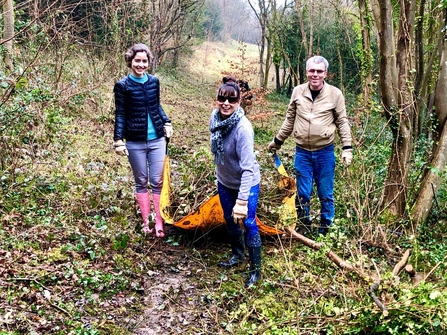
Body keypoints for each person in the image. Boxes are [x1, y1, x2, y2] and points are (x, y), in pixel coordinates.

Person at [268, 55, 352, 235]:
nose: (315, 74)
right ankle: (304, 225)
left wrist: (347, 148)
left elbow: (342, 122)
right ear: (307, 72)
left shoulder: (335, 94)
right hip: (302, 153)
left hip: (325, 152)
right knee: (303, 193)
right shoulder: (298, 92)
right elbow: (289, 119)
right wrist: (277, 141)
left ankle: (326, 228)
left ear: (325, 74)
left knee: (325, 193)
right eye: (312, 71)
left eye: (319, 71)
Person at [113, 43, 173, 238]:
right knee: (141, 181)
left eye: (144, 61)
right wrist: (118, 140)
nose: (140, 65)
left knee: (157, 181)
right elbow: (120, 114)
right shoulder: (122, 86)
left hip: (157, 139)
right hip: (135, 141)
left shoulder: (154, 81)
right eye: (137, 61)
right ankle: (146, 222)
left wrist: (167, 122)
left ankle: (159, 221)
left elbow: (157, 106)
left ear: (149, 62)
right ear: (130, 62)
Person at [210, 82, 262, 287]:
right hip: (225, 181)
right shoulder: (214, 120)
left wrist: (242, 200)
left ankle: (255, 271)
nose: (226, 103)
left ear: (239, 102)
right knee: (229, 220)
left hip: (246, 183)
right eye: (222, 98)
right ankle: (237, 255)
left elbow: (248, 169)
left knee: (248, 222)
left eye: (231, 99)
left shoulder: (243, 129)